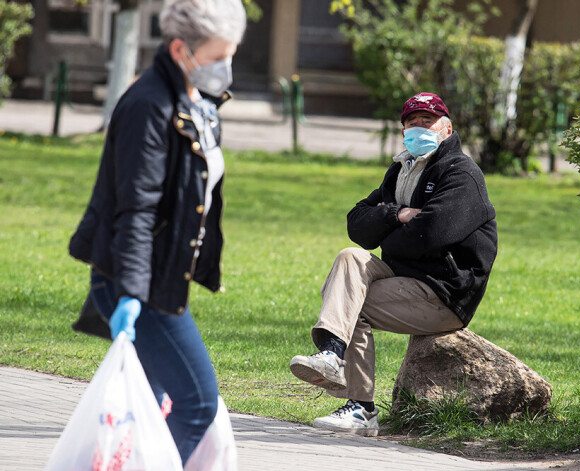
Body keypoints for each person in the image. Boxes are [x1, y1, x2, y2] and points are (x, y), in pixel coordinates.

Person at [68, 0, 246, 464]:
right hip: (140, 286)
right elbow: (137, 209)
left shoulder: (194, 100)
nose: (225, 68)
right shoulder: (149, 105)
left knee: (149, 410)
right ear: (180, 49)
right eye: (216, 57)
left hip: (162, 279)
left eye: (231, 54)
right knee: (197, 404)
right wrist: (129, 292)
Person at [289, 92, 498, 437]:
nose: (419, 128)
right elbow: (357, 224)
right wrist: (397, 215)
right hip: (404, 279)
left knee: (351, 304)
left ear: (446, 128)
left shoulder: (461, 174)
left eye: (427, 122)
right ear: (402, 131)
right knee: (349, 257)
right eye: (411, 123)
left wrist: (389, 229)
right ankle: (332, 355)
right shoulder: (400, 171)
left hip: (444, 294)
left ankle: (360, 407)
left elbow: (429, 235)